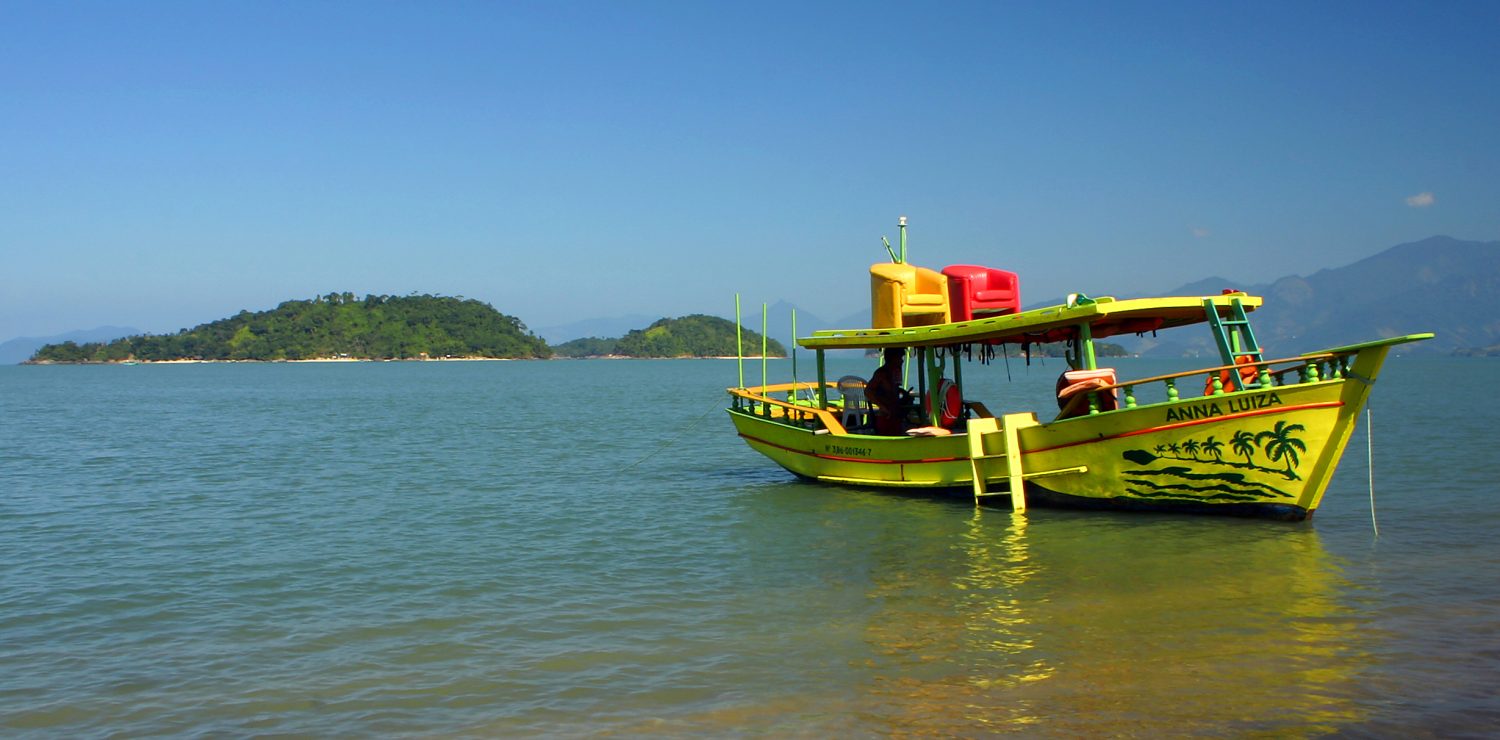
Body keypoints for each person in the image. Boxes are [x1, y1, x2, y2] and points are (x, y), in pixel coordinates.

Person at [866, 348, 911, 435]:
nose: (902, 361)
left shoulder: (895, 372)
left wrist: (903, 393)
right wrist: (883, 407)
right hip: (885, 416)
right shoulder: (881, 373)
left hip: (895, 413)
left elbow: (893, 390)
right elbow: (868, 391)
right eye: (900, 358)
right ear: (892, 358)